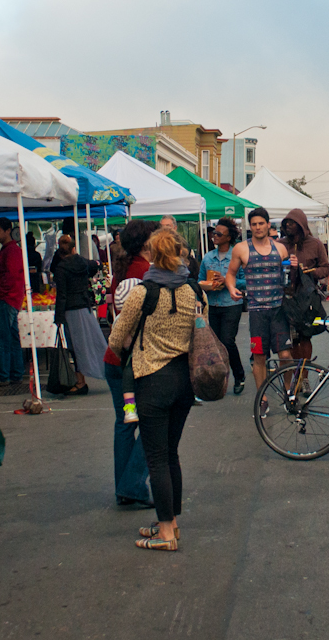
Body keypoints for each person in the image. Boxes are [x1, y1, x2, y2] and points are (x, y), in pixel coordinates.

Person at [107, 229, 200, 551]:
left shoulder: (142, 293)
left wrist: (129, 356)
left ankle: (165, 533)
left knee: (156, 457)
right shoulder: (192, 290)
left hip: (151, 379)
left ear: (150, 255)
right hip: (185, 380)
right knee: (171, 454)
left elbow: (116, 338)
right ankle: (171, 522)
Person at [103, 220, 157, 507]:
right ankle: (132, 485)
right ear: (149, 242)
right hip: (135, 364)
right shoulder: (146, 274)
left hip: (115, 361)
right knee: (151, 423)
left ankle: (124, 488)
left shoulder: (124, 269)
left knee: (126, 423)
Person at [225, 207, 292, 400]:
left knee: (286, 355)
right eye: (254, 224)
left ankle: (288, 391)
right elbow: (230, 274)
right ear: (250, 227)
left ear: (268, 224)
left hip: (279, 309)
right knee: (259, 357)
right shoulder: (241, 249)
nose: (257, 227)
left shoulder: (280, 248)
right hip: (256, 312)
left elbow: (289, 273)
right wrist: (231, 289)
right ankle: (262, 398)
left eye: (261, 223)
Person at [53, 234, 105, 396]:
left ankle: (80, 381)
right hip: (85, 307)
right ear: (74, 248)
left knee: (75, 347)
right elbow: (97, 265)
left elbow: (62, 295)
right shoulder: (83, 262)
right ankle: (110, 370)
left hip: (70, 310)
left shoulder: (61, 269)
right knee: (95, 342)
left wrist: (58, 317)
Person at [200, 218, 247, 395]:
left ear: (228, 237)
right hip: (212, 303)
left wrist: (228, 281)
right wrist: (207, 285)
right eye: (214, 233)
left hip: (231, 303)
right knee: (215, 343)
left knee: (227, 340)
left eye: (219, 234)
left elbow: (244, 281)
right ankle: (218, 380)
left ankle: (239, 375)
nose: (214, 236)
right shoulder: (208, 257)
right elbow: (200, 280)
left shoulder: (236, 256)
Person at [279, 209, 329, 363]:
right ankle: (295, 375)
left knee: (306, 335)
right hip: (286, 297)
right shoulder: (280, 244)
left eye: (292, 223)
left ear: (301, 225)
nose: (288, 225)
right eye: (286, 223)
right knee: (292, 337)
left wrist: (308, 272)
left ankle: (305, 374)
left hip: (307, 298)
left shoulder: (314, 244)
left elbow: (326, 268)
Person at [0, 217, 25, 387]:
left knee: (3, 339)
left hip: (7, 298)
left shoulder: (11, 251)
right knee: (13, 337)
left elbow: (12, 276)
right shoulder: (10, 250)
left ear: (8, 231)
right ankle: (16, 373)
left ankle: (3, 375)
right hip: (12, 298)